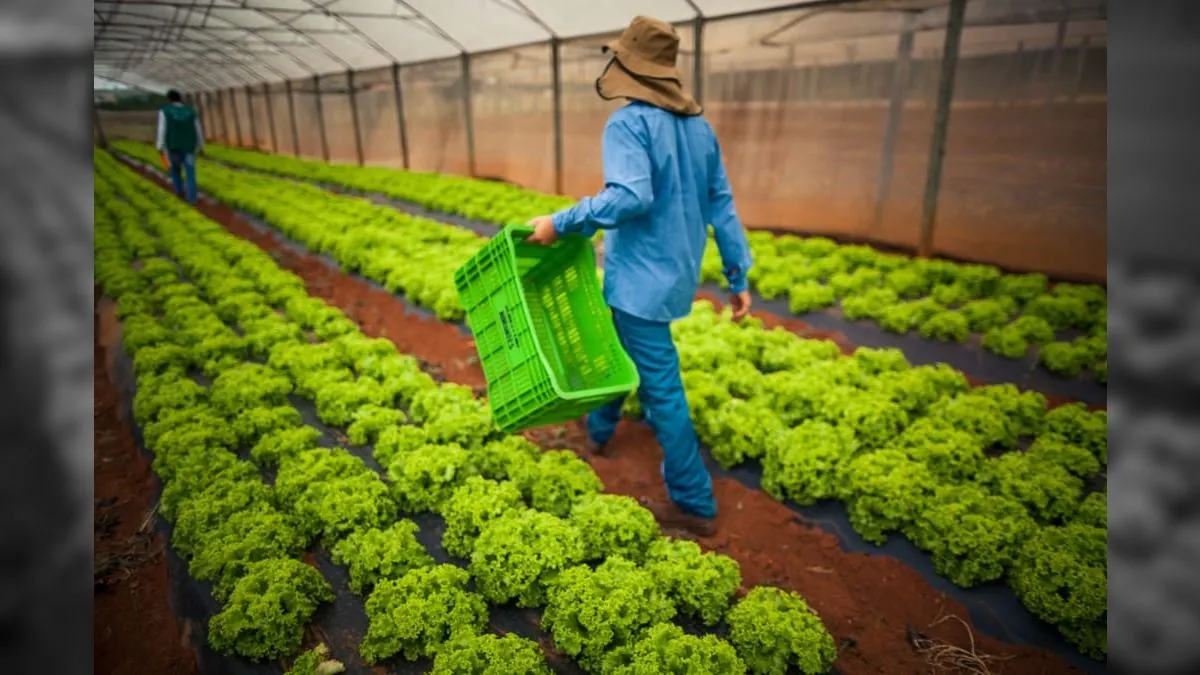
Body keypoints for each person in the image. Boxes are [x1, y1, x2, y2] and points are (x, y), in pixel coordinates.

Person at [526, 15, 753, 538]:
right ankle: (600, 431)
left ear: (627, 66)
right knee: (614, 347)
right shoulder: (699, 128)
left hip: (639, 282)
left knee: (662, 388)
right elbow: (721, 202)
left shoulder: (628, 124)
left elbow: (631, 196)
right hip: (672, 276)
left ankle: (695, 502)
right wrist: (737, 274)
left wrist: (559, 224)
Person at [155, 89, 203, 204]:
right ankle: (192, 198)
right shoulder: (191, 111)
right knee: (190, 173)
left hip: (173, 146)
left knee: (175, 170)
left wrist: (159, 145)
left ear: (169, 99)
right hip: (189, 147)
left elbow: (162, 128)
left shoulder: (165, 111)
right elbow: (198, 129)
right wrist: (201, 146)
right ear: (180, 98)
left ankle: (179, 193)